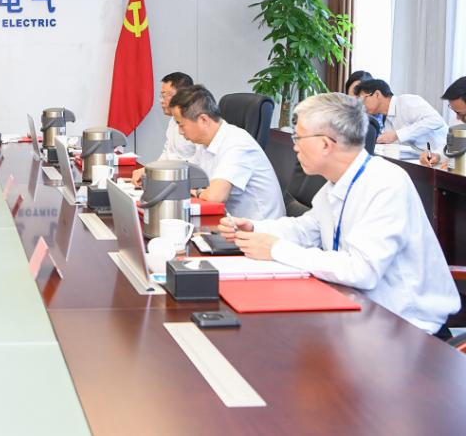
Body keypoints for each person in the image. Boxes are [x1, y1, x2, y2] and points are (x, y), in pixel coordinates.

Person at [221, 93, 459, 335]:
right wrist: (256, 228)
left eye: (298, 137)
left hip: (408, 328)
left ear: (325, 144)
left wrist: (276, 249)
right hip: (355, 310)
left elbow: (361, 271)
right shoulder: (335, 184)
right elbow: (308, 229)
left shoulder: (386, 183)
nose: (294, 146)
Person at [169, 85, 284, 220]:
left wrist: (197, 191)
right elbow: (187, 177)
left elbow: (215, 196)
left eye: (181, 124)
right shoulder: (205, 144)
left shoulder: (237, 143)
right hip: (230, 222)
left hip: (259, 228)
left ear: (203, 120)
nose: (180, 131)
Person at [131, 72, 197, 186]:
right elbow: (167, 154)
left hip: (189, 183)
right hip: (173, 179)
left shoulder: (196, 123)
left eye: (165, 95)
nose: (161, 101)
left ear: (182, 96)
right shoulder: (173, 120)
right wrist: (149, 170)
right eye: (161, 95)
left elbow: (198, 164)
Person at [354, 79, 447, 152]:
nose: (361, 105)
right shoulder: (386, 120)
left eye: (362, 99)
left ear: (377, 94)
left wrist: (397, 135)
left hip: (443, 158)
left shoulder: (406, 101)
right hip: (420, 161)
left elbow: (436, 120)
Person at [421, 76, 466, 167]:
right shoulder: (456, 121)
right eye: (454, 111)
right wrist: (437, 155)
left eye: (460, 113)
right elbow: (448, 146)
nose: (457, 118)